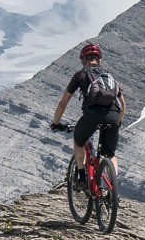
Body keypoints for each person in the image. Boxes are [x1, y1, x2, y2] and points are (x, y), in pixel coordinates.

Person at [51, 42, 126, 190]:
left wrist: (56, 122)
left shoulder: (81, 75)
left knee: (79, 142)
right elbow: (123, 105)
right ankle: (113, 188)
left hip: (92, 116)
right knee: (109, 154)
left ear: (83, 59)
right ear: (99, 60)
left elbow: (63, 102)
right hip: (112, 116)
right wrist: (118, 121)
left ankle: (81, 177)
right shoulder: (109, 77)